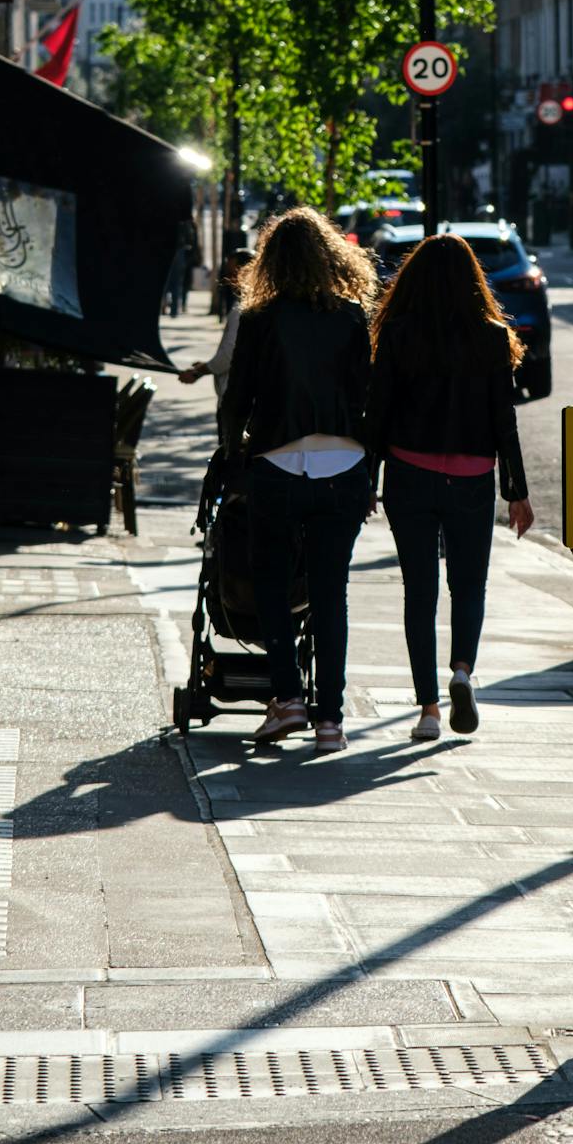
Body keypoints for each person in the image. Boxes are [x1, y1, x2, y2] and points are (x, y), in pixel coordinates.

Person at [364, 233, 534, 742]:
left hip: (409, 472)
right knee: (469, 584)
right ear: (472, 281)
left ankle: (429, 710)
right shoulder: (491, 334)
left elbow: (380, 412)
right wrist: (517, 491)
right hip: (473, 475)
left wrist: (366, 478)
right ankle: (462, 670)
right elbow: (504, 420)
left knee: (419, 591)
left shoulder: (396, 332)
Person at [219, 208, 375, 754]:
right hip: (343, 466)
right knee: (332, 595)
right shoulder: (354, 317)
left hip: (278, 464)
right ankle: (330, 720)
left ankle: (287, 698)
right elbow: (368, 399)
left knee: (270, 583)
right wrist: (369, 466)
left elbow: (237, 398)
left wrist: (230, 450)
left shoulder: (261, 319)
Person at [179, 249, 252, 400]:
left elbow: (228, 355)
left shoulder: (243, 310)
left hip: (235, 397)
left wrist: (199, 371)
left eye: (234, 273)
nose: (230, 279)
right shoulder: (246, 307)